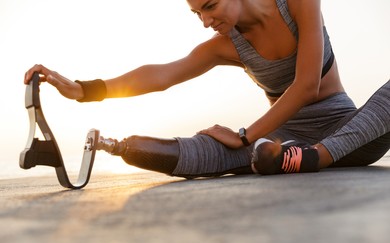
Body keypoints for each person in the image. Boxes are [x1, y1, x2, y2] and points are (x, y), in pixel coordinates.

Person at [24, 0, 390, 178]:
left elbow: (307, 86)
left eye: (210, 6)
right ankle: (113, 145)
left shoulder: (297, 2)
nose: (205, 21)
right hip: (280, 145)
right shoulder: (225, 45)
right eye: (197, 13)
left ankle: (316, 157)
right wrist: (83, 90)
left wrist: (246, 136)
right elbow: (161, 75)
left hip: (352, 133)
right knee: (208, 150)